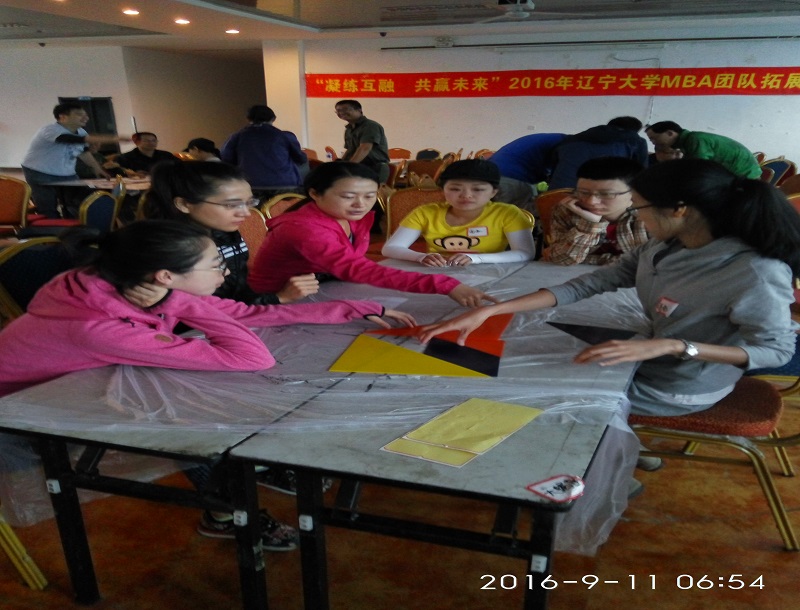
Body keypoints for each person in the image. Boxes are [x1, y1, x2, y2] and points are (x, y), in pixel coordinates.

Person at [0, 220, 414, 549]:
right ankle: (226, 511)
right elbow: (251, 356)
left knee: (192, 392)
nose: (226, 271)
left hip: (78, 381)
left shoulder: (124, 283)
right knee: (185, 416)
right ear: (166, 275)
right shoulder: (101, 324)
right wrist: (179, 300)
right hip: (23, 417)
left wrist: (350, 308)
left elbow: (244, 315)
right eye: (215, 265)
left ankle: (249, 476)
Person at [421, 158, 799, 419]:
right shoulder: (665, 246)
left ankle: (590, 461)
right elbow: (594, 281)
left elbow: (776, 351)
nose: (637, 217)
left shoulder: (755, 272)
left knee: (523, 391)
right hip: (646, 360)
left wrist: (675, 346)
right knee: (522, 359)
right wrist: (493, 309)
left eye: (639, 208)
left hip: (679, 385)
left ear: (679, 209)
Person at [248, 162, 498, 308]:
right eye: (348, 196)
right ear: (315, 193)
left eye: (369, 196)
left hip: (324, 287)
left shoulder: (351, 216)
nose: (361, 204)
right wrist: (443, 284)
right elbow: (358, 269)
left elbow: (353, 266)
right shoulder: (304, 229)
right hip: (278, 299)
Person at [144, 159, 319, 305]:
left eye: (249, 202)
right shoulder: (168, 250)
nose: (246, 213)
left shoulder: (226, 233)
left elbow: (239, 290)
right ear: (184, 204)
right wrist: (278, 298)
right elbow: (198, 311)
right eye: (232, 205)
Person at [381, 159, 535, 266]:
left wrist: (475, 259)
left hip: (489, 271)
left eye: (478, 189)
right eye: (455, 189)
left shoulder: (507, 213)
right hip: (438, 273)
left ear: (493, 192)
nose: (466, 195)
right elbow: (390, 248)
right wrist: (421, 257)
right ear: (443, 190)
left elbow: (525, 252)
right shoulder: (425, 213)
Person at [20, 102, 127, 218]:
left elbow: (83, 152)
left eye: (85, 115)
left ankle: (76, 225)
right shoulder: (50, 130)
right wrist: (112, 139)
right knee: (48, 207)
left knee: (79, 200)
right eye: (79, 114)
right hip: (40, 172)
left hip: (66, 173)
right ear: (63, 117)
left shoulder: (81, 132)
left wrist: (97, 168)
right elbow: (71, 139)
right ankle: (52, 227)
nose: (85, 118)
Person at [543, 156, 648, 266]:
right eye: (583, 192)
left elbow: (647, 263)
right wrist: (589, 225)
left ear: (635, 193)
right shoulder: (567, 210)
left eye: (606, 194)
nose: (591, 201)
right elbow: (561, 259)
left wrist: (589, 260)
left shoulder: (649, 213)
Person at [220, 105, 306, 192]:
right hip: (285, 184)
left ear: (248, 119)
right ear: (273, 119)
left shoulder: (237, 136)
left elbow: (226, 158)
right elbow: (301, 158)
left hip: (250, 185)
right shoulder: (284, 136)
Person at [548, 117, 649, 189]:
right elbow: (642, 174)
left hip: (556, 194)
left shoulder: (573, 139)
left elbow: (552, 165)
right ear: (634, 131)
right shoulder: (635, 141)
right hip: (600, 197)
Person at [645, 120, 761, 179]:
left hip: (744, 175)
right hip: (734, 174)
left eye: (654, 138)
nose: (653, 142)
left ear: (670, 133)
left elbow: (700, 169)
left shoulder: (695, 139)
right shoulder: (687, 142)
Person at [489, 133, 567, 209]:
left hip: (497, 174)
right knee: (521, 213)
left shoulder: (558, 140)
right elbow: (560, 179)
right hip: (512, 177)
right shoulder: (568, 145)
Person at [335, 99, 390, 184]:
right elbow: (349, 150)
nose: (341, 113)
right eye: (338, 111)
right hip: (358, 168)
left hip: (374, 168)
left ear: (359, 110)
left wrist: (350, 167)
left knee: (371, 192)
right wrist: (342, 165)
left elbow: (365, 148)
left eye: (345, 109)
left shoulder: (370, 126)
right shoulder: (349, 129)